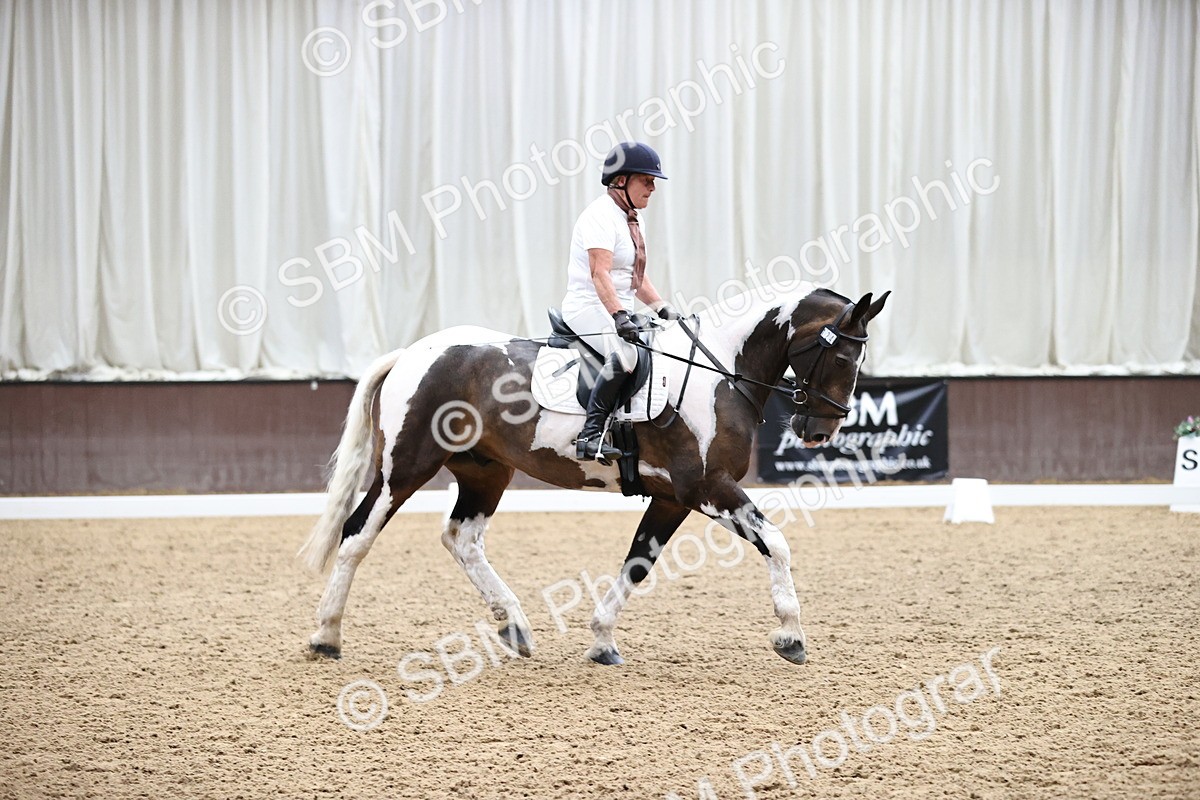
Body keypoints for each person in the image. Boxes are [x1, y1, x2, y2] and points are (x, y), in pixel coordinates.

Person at [562, 141, 681, 461]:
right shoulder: (599, 216)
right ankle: (590, 436)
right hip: (587, 306)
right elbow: (599, 273)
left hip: (617, 309)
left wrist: (664, 309)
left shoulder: (632, 218)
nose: (653, 188)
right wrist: (619, 316)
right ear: (621, 180)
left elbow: (635, 279)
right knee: (626, 355)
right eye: (647, 180)